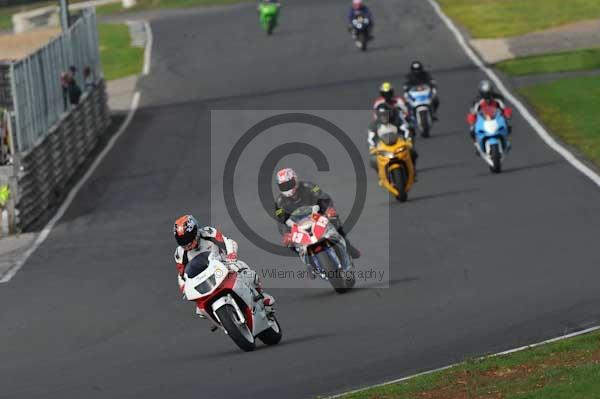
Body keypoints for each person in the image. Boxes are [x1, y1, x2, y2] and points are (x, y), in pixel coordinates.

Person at [173, 215, 275, 320]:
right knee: (200, 311)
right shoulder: (180, 254)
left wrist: (231, 255)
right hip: (203, 280)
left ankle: (262, 296)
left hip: (224, 266)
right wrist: (184, 287)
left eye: (189, 239)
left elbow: (227, 242)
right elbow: (182, 274)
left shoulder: (208, 233)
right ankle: (221, 320)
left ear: (195, 232)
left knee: (248, 272)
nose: (187, 243)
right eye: (182, 241)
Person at [274, 168, 361, 259]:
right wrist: (286, 234)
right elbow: (281, 221)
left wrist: (328, 210)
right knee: (290, 245)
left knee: (335, 222)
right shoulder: (280, 202)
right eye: (283, 186)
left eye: (288, 184)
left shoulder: (309, 186)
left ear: (295, 179)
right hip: (298, 225)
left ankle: (348, 247)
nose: (287, 188)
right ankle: (309, 263)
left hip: (316, 216)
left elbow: (324, 197)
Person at [368, 103, 418, 173]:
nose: (384, 117)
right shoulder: (374, 125)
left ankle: (412, 169)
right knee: (373, 160)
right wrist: (372, 148)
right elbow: (371, 139)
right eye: (381, 115)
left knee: (412, 152)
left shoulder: (397, 121)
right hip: (383, 148)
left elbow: (406, 130)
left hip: (398, 144)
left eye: (385, 114)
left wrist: (408, 140)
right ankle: (380, 175)